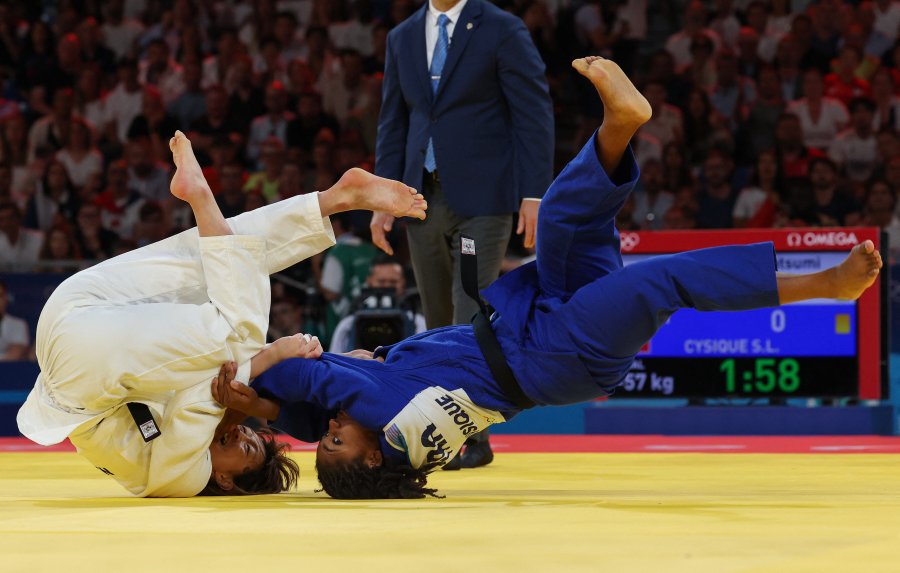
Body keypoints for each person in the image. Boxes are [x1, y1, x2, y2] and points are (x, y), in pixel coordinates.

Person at [213, 57, 883, 500]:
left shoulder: (384, 426)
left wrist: (260, 406)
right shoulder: (385, 417)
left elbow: (304, 404)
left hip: (526, 318)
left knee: (562, 216)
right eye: (337, 436)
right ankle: (822, 286)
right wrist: (251, 376)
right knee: (659, 286)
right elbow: (305, 359)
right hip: (557, 355)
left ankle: (620, 128)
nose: (333, 423)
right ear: (369, 457)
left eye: (326, 430)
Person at [16, 131, 428, 498]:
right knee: (208, 259)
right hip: (74, 312)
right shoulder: (186, 438)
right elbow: (199, 373)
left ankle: (200, 194)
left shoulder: (181, 480)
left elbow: (208, 393)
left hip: (80, 368)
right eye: (247, 435)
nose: (236, 432)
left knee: (237, 335)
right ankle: (335, 200)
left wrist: (275, 353)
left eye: (243, 448)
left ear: (226, 481)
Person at [370, 0, 554, 469]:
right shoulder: (403, 36)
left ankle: (475, 436)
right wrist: (381, 196)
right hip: (419, 196)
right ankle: (443, 430)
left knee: (470, 308)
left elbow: (532, 111)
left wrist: (534, 193)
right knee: (435, 319)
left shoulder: (502, 29)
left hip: (484, 198)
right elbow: (394, 121)